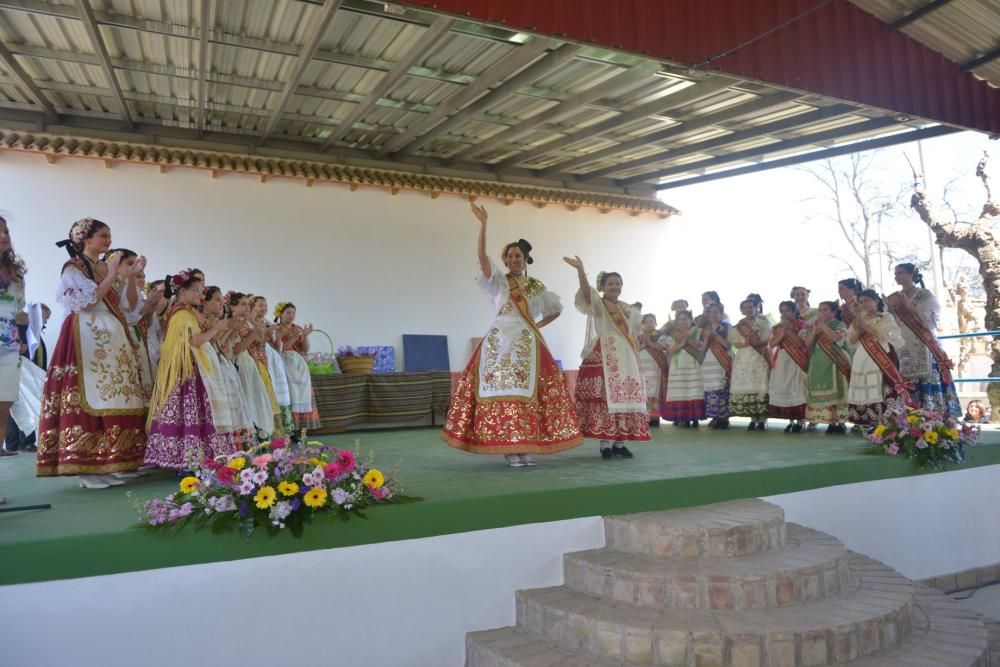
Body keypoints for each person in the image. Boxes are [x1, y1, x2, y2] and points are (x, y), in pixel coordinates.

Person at [443, 203, 582, 466]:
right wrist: (483, 225)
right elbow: (483, 258)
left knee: (528, 395)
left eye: (519, 256)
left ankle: (524, 445)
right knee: (503, 392)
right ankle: (508, 448)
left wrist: (536, 327)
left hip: (529, 345)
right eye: (510, 256)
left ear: (525, 260)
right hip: (501, 343)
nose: (514, 260)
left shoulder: (534, 285)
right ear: (505, 260)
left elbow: (555, 310)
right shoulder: (497, 282)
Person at [36, 219, 152, 488]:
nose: (108, 240)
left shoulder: (104, 267)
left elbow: (130, 309)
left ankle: (107, 461)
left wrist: (131, 277)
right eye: (103, 235)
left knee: (114, 399)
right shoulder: (74, 267)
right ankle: (85, 467)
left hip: (112, 337)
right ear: (86, 239)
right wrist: (112, 274)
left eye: (110, 235)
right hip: (86, 336)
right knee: (89, 397)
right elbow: (85, 301)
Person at [144, 270, 237, 469]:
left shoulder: (187, 311)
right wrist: (216, 330)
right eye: (195, 291)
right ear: (182, 291)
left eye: (201, 291)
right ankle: (187, 460)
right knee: (187, 415)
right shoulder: (181, 314)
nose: (199, 295)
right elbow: (193, 341)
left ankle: (195, 458)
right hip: (186, 371)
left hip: (192, 369)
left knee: (193, 415)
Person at [565, 256, 649, 458]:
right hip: (605, 353)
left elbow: (635, 334)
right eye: (610, 283)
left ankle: (619, 443)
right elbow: (586, 292)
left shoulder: (628, 309)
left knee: (625, 397)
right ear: (602, 286)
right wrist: (580, 271)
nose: (615, 286)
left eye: (618, 283)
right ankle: (604, 444)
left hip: (626, 358)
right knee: (604, 399)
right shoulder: (599, 304)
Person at [885, 263, 961, 416]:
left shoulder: (924, 295)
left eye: (900, 273)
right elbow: (892, 323)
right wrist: (891, 310)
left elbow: (930, 323)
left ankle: (935, 415)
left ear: (910, 274)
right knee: (907, 378)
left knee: (926, 376)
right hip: (904, 344)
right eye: (895, 273)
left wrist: (908, 306)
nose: (896, 276)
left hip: (923, 343)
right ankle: (910, 418)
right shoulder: (894, 297)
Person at [847, 289, 906, 426]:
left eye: (867, 300)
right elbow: (851, 341)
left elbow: (885, 335)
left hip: (881, 355)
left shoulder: (885, 316)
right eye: (860, 302)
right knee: (863, 384)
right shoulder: (858, 320)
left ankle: (884, 421)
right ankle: (865, 421)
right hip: (862, 356)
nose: (863, 304)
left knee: (880, 385)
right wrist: (860, 327)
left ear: (876, 301)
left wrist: (864, 326)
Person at [227, 292, 276, 439]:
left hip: (251, 362)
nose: (247, 307)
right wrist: (254, 334)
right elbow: (236, 349)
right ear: (232, 307)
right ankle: (249, 436)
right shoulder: (232, 321)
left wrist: (261, 333)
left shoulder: (248, 322)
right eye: (243, 304)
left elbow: (258, 344)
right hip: (240, 363)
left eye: (248, 304)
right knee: (247, 400)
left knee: (256, 398)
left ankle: (259, 434)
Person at [6, 303, 49, 453]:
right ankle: (20, 443)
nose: (45, 322)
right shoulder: (18, 327)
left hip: (26, 372)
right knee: (18, 408)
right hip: (18, 371)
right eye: (45, 317)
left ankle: (20, 443)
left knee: (20, 407)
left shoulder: (32, 330)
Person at [0, 215, 26, 458]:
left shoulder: (16, 272)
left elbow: (17, 310)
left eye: (6, 230)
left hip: (8, 347)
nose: (4, 235)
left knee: (2, 408)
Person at [274, 301, 322, 434]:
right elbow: (280, 349)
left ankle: (300, 430)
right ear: (280, 314)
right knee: (290, 395)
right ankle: (289, 429)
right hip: (284, 364)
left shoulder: (298, 328)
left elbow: (305, 349)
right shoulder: (276, 329)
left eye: (293, 313)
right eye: (288, 312)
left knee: (301, 394)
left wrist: (304, 336)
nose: (291, 315)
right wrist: (295, 337)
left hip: (298, 365)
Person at [804, 301, 851, 433]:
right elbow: (807, 344)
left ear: (833, 312)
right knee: (824, 393)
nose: (821, 313)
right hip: (818, 361)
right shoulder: (814, 326)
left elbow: (836, 338)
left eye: (825, 310)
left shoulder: (839, 324)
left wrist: (823, 326)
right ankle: (829, 421)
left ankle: (841, 422)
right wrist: (814, 331)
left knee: (839, 393)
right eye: (820, 310)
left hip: (835, 361)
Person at [729, 296, 772, 430]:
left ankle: (763, 420)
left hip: (760, 357)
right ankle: (753, 419)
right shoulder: (739, 325)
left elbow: (768, 340)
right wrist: (744, 343)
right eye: (745, 308)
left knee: (761, 385)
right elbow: (734, 342)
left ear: (756, 308)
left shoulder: (764, 323)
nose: (749, 310)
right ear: (742, 310)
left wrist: (757, 342)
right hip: (744, 358)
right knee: (748, 385)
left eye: (751, 307)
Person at [252, 296, 293, 434]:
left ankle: (284, 431)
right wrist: (268, 335)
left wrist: (278, 336)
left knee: (278, 393)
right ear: (253, 307)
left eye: (265, 305)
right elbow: (257, 345)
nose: (263, 308)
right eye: (260, 305)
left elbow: (276, 347)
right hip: (261, 359)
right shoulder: (251, 323)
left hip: (273, 359)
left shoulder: (267, 322)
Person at [768, 301, 809, 432]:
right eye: (782, 311)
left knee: (797, 388)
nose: (785, 314)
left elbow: (801, 343)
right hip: (782, 359)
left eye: (787, 310)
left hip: (797, 360)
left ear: (794, 311)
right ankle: (791, 420)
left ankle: (800, 421)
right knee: (785, 388)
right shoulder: (777, 327)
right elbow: (773, 344)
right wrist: (781, 333)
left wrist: (789, 331)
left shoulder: (802, 325)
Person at [660, 310, 704, 427]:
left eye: (685, 319)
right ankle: (683, 417)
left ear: (691, 320)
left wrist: (688, 339)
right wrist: (682, 343)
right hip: (678, 367)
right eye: (680, 319)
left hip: (694, 365)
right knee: (681, 391)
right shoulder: (673, 334)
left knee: (693, 391)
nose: (682, 322)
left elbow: (700, 347)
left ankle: (695, 418)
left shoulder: (698, 332)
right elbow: (670, 350)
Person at [700, 302, 732, 429]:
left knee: (722, 388)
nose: (713, 315)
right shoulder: (704, 330)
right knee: (711, 389)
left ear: (721, 313)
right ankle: (715, 417)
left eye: (716, 312)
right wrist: (707, 337)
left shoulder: (727, 327)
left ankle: (724, 418)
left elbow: (728, 345)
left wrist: (715, 335)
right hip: (708, 363)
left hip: (722, 362)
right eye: (710, 312)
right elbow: (701, 349)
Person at [638, 313, 667, 426]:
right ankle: (643, 416)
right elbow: (633, 349)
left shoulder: (660, 335)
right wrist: (643, 346)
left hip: (655, 368)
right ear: (642, 324)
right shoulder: (637, 335)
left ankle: (654, 417)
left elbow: (661, 347)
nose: (649, 324)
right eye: (646, 321)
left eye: (651, 321)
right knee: (641, 391)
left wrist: (648, 342)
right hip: (641, 367)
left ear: (656, 323)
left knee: (654, 391)